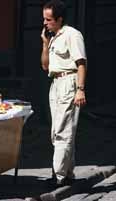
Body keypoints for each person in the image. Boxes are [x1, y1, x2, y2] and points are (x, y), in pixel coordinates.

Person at [40, 0, 87, 186]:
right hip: (56, 83)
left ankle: (58, 177)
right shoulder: (53, 37)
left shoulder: (72, 35)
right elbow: (45, 66)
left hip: (69, 81)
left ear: (59, 19)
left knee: (62, 132)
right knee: (58, 132)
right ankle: (67, 174)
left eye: (48, 19)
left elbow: (81, 63)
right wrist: (45, 44)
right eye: (44, 19)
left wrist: (80, 90)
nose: (45, 23)